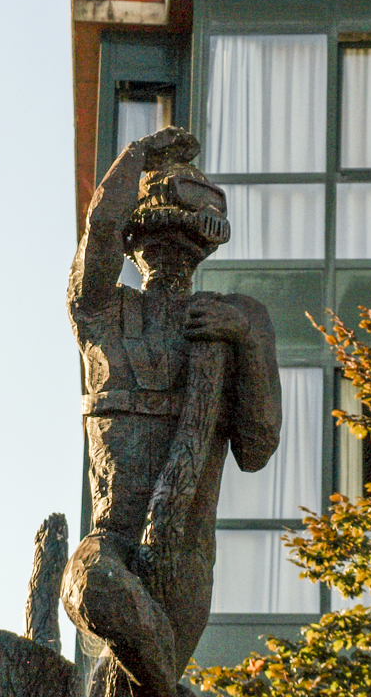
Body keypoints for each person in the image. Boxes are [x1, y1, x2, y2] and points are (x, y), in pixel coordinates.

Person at [62, 127, 282, 697]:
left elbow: (257, 448)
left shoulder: (234, 319)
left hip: (181, 563)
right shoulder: (104, 315)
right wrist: (135, 158)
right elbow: (99, 233)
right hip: (112, 539)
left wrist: (246, 341)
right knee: (88, 588)